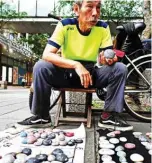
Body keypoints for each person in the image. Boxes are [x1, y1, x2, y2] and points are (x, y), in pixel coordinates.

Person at [17, 0, 133, 131]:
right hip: (65, 74)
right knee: (40, 66)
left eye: (98, 8)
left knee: (119, 68)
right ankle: (41, 116)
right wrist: (76, 64)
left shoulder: (103, 27)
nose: (95, 13)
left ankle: (108, 116)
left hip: (90, 75)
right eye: (89, 7)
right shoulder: (65, 25)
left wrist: (108, 59)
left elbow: (106, 54)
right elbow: (47, 54)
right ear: (77, 9)